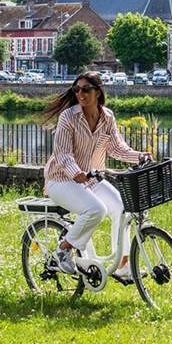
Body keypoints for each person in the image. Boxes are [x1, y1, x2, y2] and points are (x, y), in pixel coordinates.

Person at [41, 71, 150, 279]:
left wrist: (140, 156)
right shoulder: (69, 117)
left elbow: (117, 149)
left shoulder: (107, 117)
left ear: (98, 92)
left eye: (86, 89)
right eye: (77, 90)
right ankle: (63, 249)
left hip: (92, 179)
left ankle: (123, 264)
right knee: (96, 210)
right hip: (61, 180)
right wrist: (77, 173)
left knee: (121, 207)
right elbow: (63, 154)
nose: (80, 94)